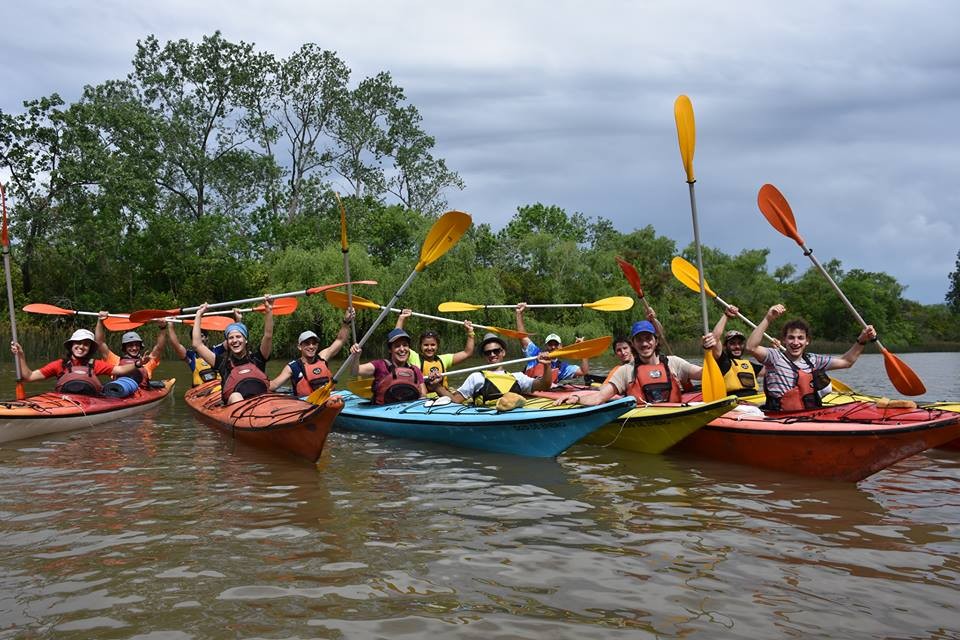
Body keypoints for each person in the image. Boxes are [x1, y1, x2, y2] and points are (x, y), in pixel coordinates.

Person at [553, 320, 717, 406]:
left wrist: (714, 348)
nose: (644, 344)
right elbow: (599, 398)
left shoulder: (674, 363)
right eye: (639, 340)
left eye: (648, 339)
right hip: (643, 419)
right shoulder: (625, 371)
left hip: (674, 415)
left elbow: (707, 374)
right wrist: (576, 398)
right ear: (633, 343)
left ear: (655, 340)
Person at [746, 304, 876, 412]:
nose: (795, 342)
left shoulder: (813, 360)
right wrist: (768, 318)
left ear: (807, 341)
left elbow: (847, 361)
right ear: (784, 340)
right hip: (779, 417)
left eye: (800, 338)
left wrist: (862, 340)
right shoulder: (774, 357)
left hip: (807, 416)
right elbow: (751, 347)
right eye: (791, 337)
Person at [432, 333, 554, 405]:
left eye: (496, 351)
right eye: (488, 352)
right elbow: (454, 400)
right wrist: (437, 386)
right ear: (484, 356)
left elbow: (544, 385)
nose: (492, 355)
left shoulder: (518, 377)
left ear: (503, 352)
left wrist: (547, 366)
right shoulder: (477, 377)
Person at [191, 298, 274, 405]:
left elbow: (268, 335)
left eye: (238, 336)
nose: (235, 341)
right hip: (236, 407)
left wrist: (269, 310)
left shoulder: (258, 358)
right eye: (231, 338)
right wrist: (198, 315)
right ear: (227, 342)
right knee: (236, 396)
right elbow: (197, 345)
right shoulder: (222, 363)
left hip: (262, 403)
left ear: (245, 340)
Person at [10, 329, 139, 395]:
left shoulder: (95, 364)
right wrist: (21, 355)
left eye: (86, 344)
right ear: (71, 345)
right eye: (78, 343)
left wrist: (138, 364)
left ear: (89, 349)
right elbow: (29, 376)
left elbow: (121, 370)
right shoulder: (59, 365)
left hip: (91, 403)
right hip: (64, 402)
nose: (81, 347)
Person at [269, 308, 355, 396]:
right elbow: (274, 385)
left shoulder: (322, 357)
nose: (311, 346)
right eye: (307, 343)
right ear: (299, 347)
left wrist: (346, 321)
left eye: (314, 343)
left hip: (329, 401)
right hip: (306, 404)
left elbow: (340, 340)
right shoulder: (293, 367)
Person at [394, 308, 474, 389]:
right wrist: (402, 318)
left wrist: (470, 332)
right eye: (426, 345)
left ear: (437, 346)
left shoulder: (444, 359)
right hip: (424, 399)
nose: (429, 348)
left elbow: (467, 353)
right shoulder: (414, 357)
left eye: (433, 345)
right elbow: (396, 339)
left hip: (443, 397)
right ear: (420, 346)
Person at [165, 309, 243, 387]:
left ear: (207, 338)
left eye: (201, 336)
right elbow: (176, 345)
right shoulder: (191, 356)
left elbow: (232, 340)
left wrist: (238, 320)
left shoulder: (215, 350)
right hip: (201, 392)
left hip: (217, 389)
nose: (199, 338)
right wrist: (170, 326)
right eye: (196, 336)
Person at [349, 328, 428, 404]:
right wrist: (356, 356)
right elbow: (355, 371)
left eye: (405, 345)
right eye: (397, 346)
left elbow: (423, 395)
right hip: (382, 410)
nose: (402, 349)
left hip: (407, 410)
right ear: (390, 350)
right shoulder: (380, 365)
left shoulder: (415, 370)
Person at [514, 302, 587, 383]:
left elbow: (583, 371)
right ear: (546, 346)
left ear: (561, 347)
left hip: (546, 391)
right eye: (550, 344)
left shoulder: (562, 367)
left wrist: (582, 349)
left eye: (556, 344)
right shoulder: (534, 353)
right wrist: (519, 313)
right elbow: (522, 337)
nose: (553, 347)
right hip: (528, 389)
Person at [95, 314, 166, 388]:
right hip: (120, 391)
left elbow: (159, 348)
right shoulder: (115, 361)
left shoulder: (147, 361)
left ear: (140, 346)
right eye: (130, 345)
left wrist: (162, 328)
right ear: (124, 347)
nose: (134, 348)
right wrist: (100, 321)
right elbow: (100, 343)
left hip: (142, 393)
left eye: (137, 345)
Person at [709, 305, 764, 397]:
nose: (737, 346)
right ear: (725, 346)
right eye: (733, 343)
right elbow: (715, 338)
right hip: (734, 402)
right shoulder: (723, 361)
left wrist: (777, 351)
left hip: (754, 401)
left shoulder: (749, 365)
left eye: (740, 343)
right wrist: (726, 316)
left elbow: (772, 367)